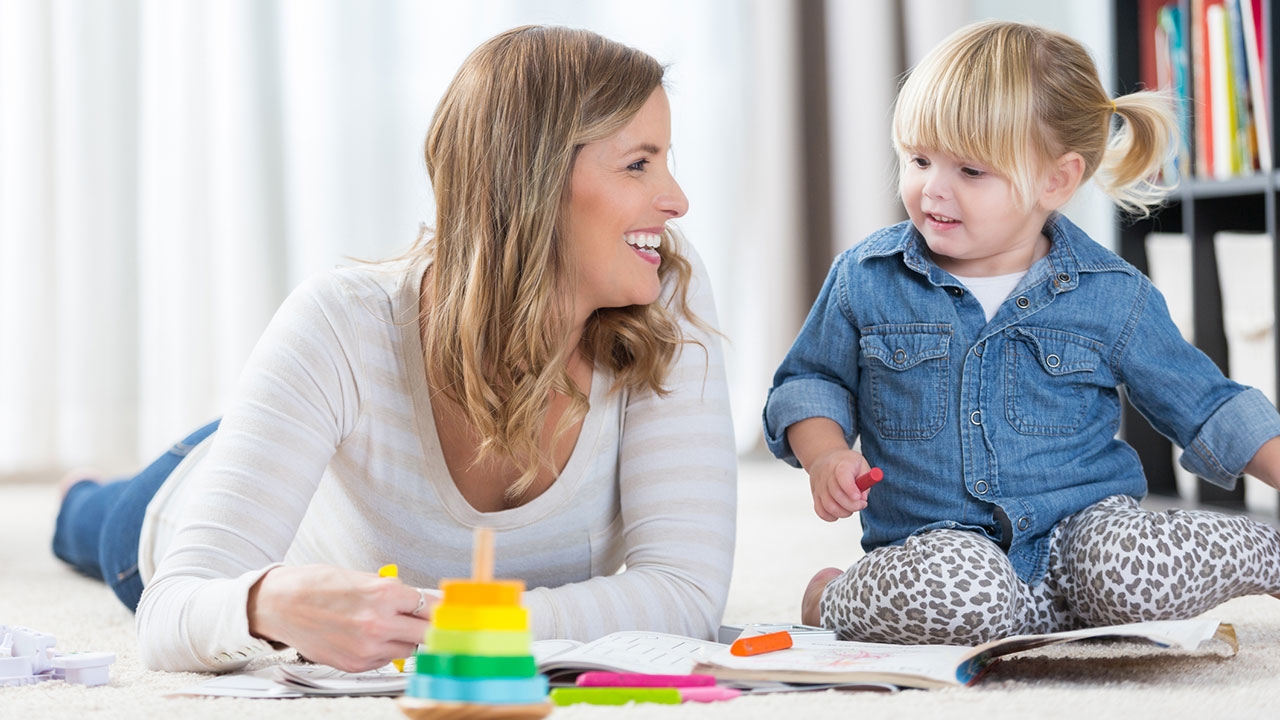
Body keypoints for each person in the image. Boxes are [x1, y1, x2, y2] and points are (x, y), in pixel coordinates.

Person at [51, 25, 736, 673]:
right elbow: (172, 611)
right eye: (638, 164)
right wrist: (266, 604)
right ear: (530, 181)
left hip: (338, 445)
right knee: (93, 521)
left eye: (665, 161)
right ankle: (77, 494)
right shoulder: (341, 323)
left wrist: (463, 622)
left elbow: (686, 593)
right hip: (182, 499)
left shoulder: (664, 289)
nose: (676, 200)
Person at [764, 19, 1280, 645]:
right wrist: (825, 455)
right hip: (944, 557)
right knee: (964, 594)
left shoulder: (1113, 293)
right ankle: (831, 597)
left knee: (1130, 567)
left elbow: (1208, 405)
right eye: (919, 160)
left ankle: (1272, 556)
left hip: (1080, 551)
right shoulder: (866, 278)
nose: (933, 188)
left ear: (1055, 180)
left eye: (970, 170)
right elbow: (809, 382)